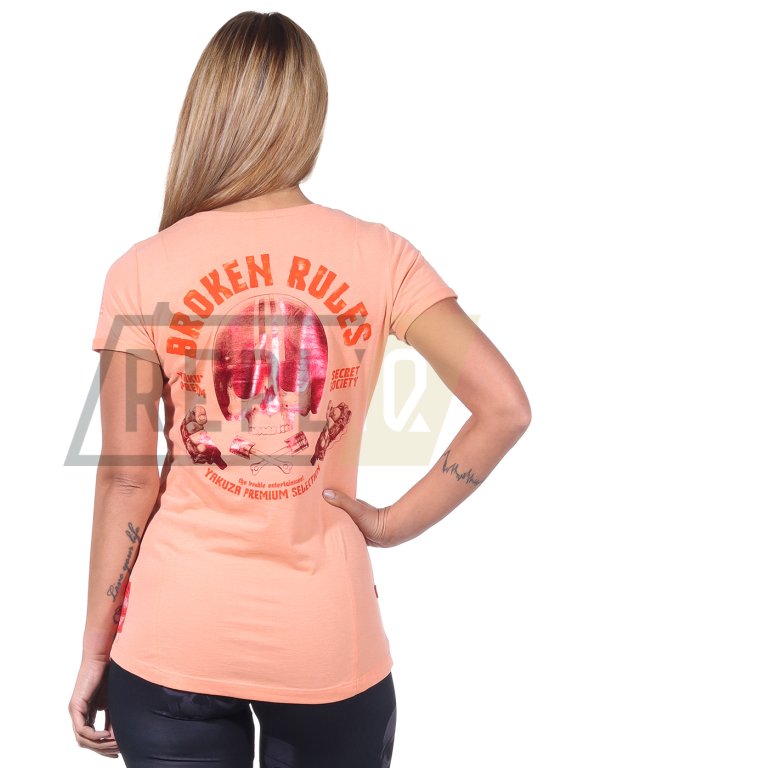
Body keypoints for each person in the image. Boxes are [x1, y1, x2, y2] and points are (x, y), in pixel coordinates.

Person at [68, 11, 531, 767]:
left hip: (172, 635)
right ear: (308, 115)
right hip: (327, 639)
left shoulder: (142, 268)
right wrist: (389, 525)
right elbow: (504, 407)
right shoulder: (381, 255)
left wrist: (95, 647)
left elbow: (126, 477)